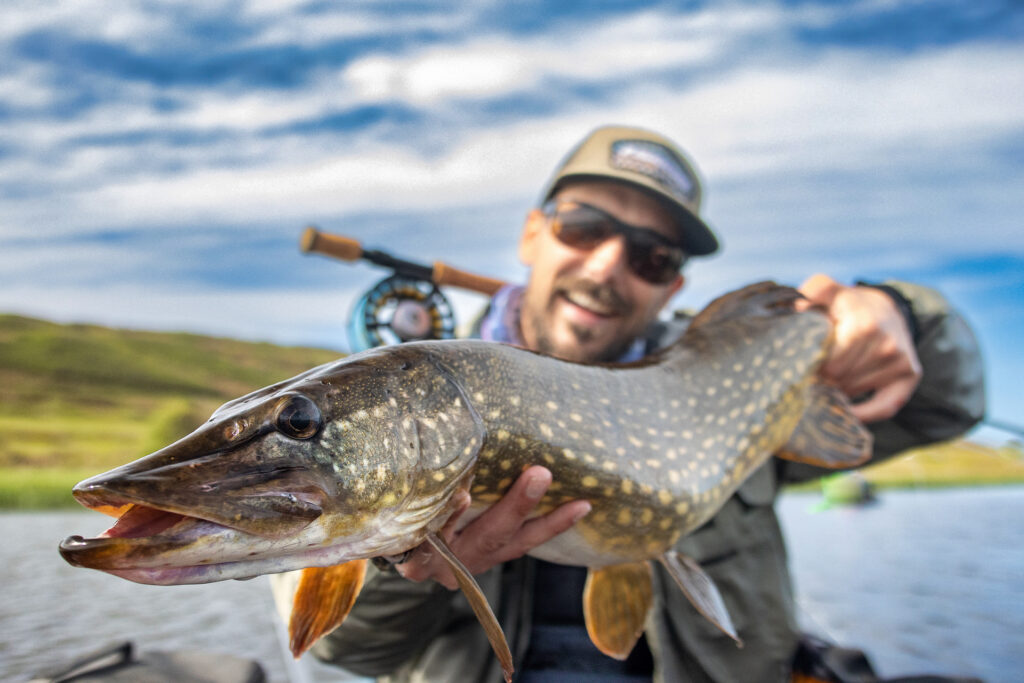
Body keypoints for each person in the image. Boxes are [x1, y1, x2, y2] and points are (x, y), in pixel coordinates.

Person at [308, 126, 985, 682]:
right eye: (583, 228)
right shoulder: (405, 405)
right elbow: (353, 652)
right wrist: (393, 555)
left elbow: (944, 406)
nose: (607, 267)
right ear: (532, 234)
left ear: (672, 286)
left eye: (651, 257)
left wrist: (903, 313)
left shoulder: (742, 389)